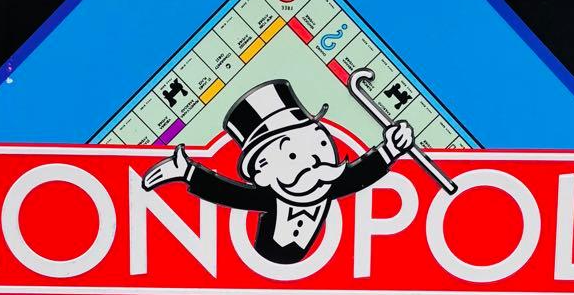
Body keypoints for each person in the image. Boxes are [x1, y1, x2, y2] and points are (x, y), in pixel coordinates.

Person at [142, 79, 415, 264]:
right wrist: (187, 172)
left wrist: (391, 148)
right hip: (262, 264)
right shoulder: (268, 199)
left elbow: (361, 175)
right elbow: (229, 193)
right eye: (292, 155)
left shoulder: (331, 183)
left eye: (320, 143)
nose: (315, 161)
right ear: (261, 172)